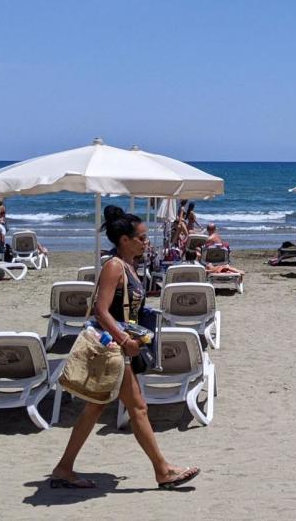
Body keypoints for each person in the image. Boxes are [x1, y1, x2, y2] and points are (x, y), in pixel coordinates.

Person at [52, 205, 199, 490]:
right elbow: (101, 310)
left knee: (95, 409)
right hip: (114, 349)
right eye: (141, 238)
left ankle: (63, 468)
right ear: (124, 240)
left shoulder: (129, 267)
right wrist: (124, 340)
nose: (146, 242)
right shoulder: (114, 266)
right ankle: (163, 470)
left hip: (121, 347)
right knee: (139, 408)